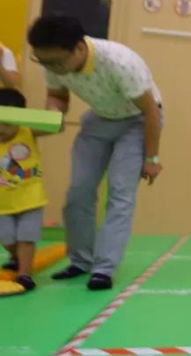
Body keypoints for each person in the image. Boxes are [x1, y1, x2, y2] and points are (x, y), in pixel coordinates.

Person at [27, 15, 164, 291]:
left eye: (56, 62)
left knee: (120, 194)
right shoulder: (52, 61)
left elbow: (151, 112)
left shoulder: (120, 63)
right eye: (43, 62)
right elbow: (58, 96)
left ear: (79, 48)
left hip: (137, 122)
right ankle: (80, 261)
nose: (51, 68)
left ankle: (104, 268)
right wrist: (52, 114)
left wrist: (152, 158)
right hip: (99, 120)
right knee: (78, 192)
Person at [0, 88, 52, 292]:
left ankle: (24, 274)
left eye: (7, 123)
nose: (2, 129)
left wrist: (30, 117)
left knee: (26, 238)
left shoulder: (27, 131)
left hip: (30, 199)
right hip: (2, 204)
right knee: (6, 239)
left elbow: (56, 125)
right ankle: (16, 256)